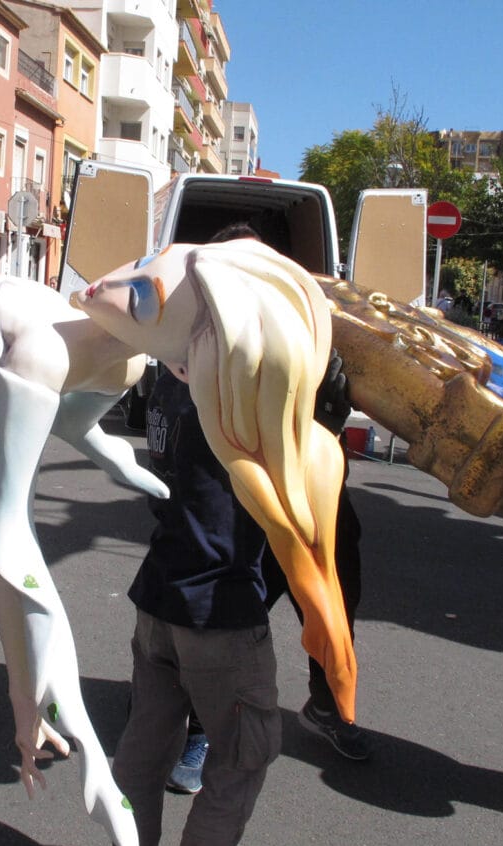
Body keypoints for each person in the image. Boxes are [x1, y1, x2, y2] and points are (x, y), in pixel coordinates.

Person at [165, 224, 369, 799]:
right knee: (234, 612)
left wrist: (327, 405)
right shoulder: (195, 344)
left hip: (314, 506)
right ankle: (202, 725)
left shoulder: (303, 330)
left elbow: (318, 432)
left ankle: (325, 704)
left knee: (334, 598)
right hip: (238, 511)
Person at [107, 363, 282, 846]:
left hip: (161, 592)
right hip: (219, 607)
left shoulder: (170, 375)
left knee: (145, 746)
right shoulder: (231, 380)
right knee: (241, 759)